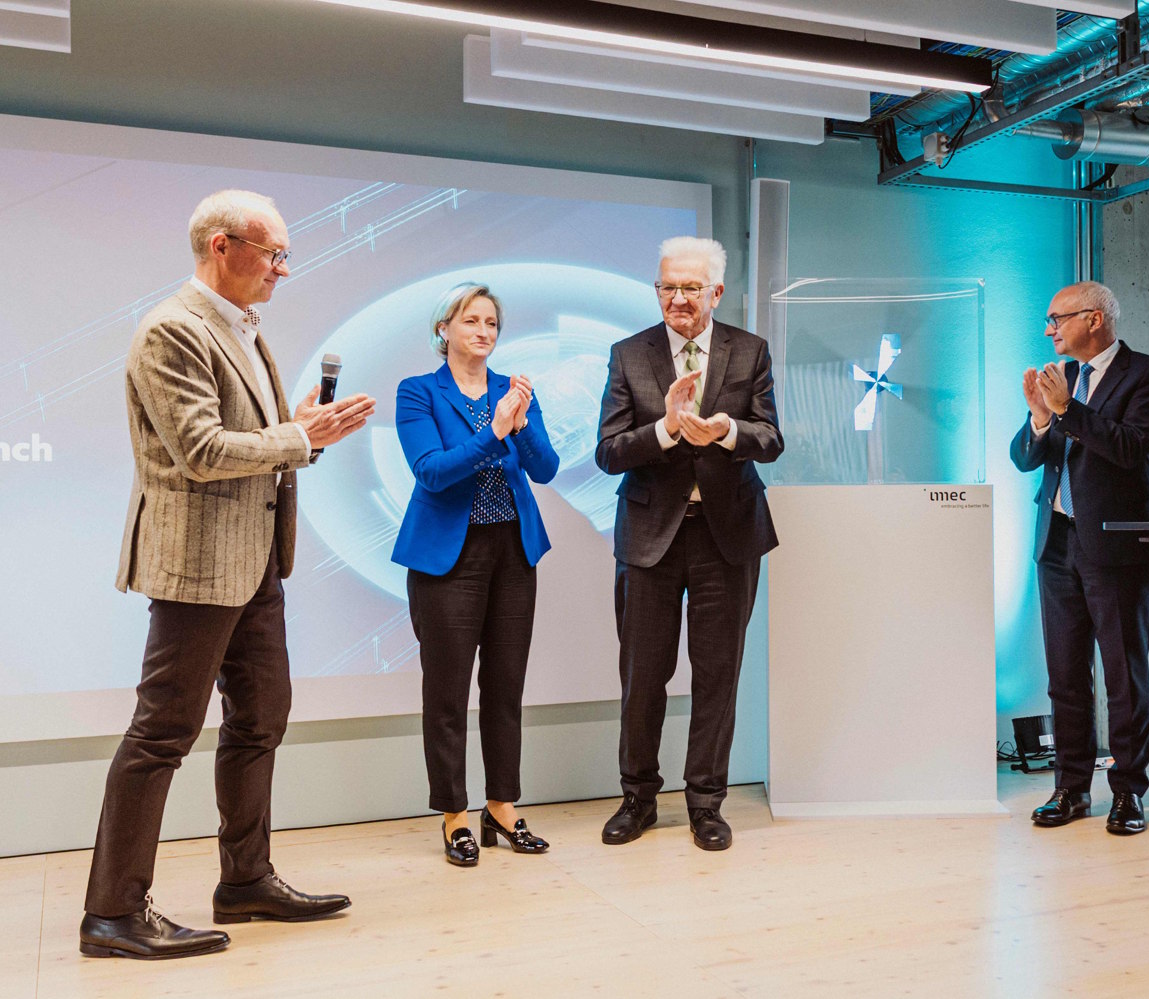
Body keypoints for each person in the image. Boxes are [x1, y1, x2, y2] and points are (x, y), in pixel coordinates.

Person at [82, 190, 375, 960]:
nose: (284, 267)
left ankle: (245, 879)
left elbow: (258, 440)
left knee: (261, 715)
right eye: (273, 252)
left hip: (253, 563)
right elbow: (204, 451)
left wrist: (304, 433)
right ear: (222, 246)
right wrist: (294, 433)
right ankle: (112, 911)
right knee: (162, 732)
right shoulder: (172, 329)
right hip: (197, 563)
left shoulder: (246, 330)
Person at [595, 236, 783, 852]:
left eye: (690, 287)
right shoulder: (629, 354)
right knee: (643, 674)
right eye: (667, 287)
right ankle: (637, 799)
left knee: (718, 674)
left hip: (727, 535)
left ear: (716, 292)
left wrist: (728, 431)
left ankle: (706, 803)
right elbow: (608, 452)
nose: (678, 298)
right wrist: (666, 429)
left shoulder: (749, 350)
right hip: (649, 538)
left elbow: (771, 437)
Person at [392, 282, 560, 866]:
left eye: (492, 322)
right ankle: (454, 815)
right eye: (471, 320)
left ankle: (502, 807)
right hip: (448, 558)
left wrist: (521, 421)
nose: (484, 331)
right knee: (447, 692)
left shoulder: (512, 391)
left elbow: (546, 467)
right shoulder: (418, 393)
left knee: (506, 686)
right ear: (445, 329)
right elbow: (433, 472)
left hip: (513, 551)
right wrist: (493, 431)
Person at [1010, 281, 1149, 836]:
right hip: (1056, 542)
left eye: (1057, 319)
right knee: (1065, 675)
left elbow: (1128, 448)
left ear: (1095, 319)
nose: (1049, 329)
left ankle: (1128, 793)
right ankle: (1070, 788)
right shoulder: (1064, 381)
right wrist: (1039, 418)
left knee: (1124, 674)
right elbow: (1025, 458)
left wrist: (1066, 410)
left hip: (1116, 543)